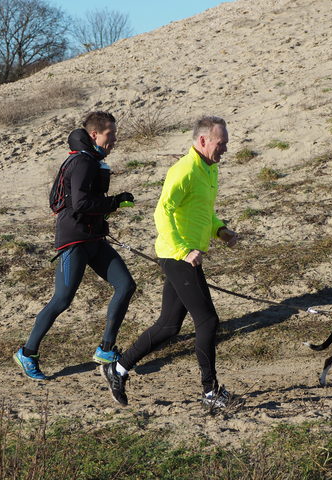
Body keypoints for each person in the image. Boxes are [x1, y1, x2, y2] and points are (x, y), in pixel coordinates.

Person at [102, 115, 238, 408]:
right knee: (208, 321)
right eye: (221, 143)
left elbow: (200, 211)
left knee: (168, 325)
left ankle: (118, 369)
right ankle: (210, 392)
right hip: (177, 256)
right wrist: (183, 251)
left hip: (185, 255)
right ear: (203, 140)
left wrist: (220, 230)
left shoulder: (209, 170)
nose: (225, 148)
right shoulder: (185, 169)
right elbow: (162, 212)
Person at [14, 111, 136, 380]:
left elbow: (87, 202)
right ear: (95, 135)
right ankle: (27, 352)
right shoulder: (83, 162)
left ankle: (106, 349)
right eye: (110, 134)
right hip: (74, 241)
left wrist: (109, 209)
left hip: (93, 238)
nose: (114, 139)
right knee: (62, 299)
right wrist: (115, 202)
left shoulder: (91, 160)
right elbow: (80, 203)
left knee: (126, 285)